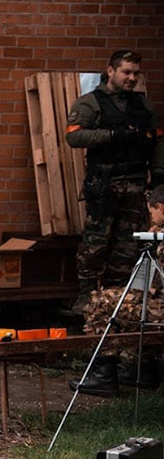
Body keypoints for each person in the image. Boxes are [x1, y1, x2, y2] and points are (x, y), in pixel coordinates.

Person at [66, 50, 163, 315]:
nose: (131, 78)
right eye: (126, 72)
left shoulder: (144, 106)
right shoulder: (90, 103)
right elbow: (74, 136)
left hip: (135, 184)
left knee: (128, 244)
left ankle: (115, 298)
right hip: (104, 184)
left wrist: (158, 176)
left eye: (135, 73)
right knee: (95, 242)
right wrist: (111, 135)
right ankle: (87, 297)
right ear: (111, 71)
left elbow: (158, 141)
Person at [72, 184, 164, 396]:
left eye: (152, 213)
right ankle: (140, 367)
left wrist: (154, 244)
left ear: (160, 207)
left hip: (161, 307)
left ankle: (104, 375)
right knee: (131, 302)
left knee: (100, 302)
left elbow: (154, 279)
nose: (151, 218)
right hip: (158, 301)